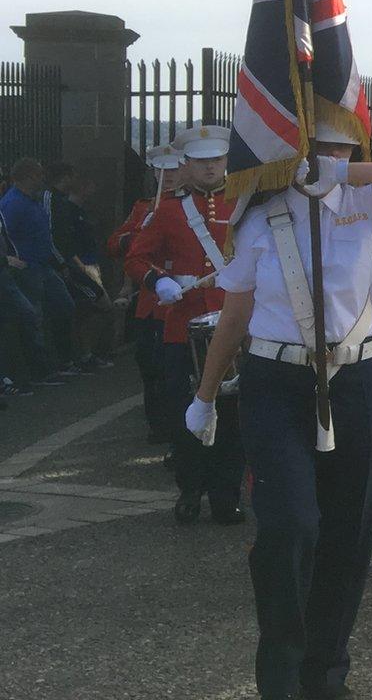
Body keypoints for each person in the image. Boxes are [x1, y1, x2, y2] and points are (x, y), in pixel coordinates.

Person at [188, 128, 372, 700]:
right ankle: (280, 671)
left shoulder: (366, 203)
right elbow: (235, 313)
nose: (331, 158)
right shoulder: (259, 216)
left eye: (344, 148)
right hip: (278, 380)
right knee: (291, 523)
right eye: (320, 148)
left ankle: (325, 673)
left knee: (349, 529)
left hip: (355, 378)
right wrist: (205, 396)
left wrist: (345, 176)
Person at [127, 125, 245, 524]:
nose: (210, 167)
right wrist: (158, 279)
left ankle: (227, 494)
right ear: (187, 164)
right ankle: (191, 489)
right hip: (183, 328)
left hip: (234, 323)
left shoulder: (245, 203)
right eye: (201, 160)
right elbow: (136, 258)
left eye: (216, 159)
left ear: (226, 161)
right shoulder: (169, 211)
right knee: (188, 410)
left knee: (233, 414)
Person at [111, 144, 186, 439]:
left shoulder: (188, 205)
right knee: (150, 366)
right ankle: (159, 426)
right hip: (151, 299)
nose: (167, 176)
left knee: (179, 371)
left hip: (185, 298)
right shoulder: (143, 207)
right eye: (161, 170)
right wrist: (138, 233)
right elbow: (114, 245)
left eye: (173, 169)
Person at [2, 158, 86, 374]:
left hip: (43, 265)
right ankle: (41, 369)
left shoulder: (32, 200)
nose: (43, 179)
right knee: (34, 316)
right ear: (29, 177)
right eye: (39, 175)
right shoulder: (13, 204)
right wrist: (12, 259)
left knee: (63, 306)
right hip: (27, 267)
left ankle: (58, 359)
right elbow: (7, 235)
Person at [46, 163, 116, 367]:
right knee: (99, 307)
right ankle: (84, 354)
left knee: (89, 308)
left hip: (88, 264)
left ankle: (87, 353)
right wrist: (76, 265)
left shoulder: (76, 209)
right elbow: (64, 242)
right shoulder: (64, 207)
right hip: (81, 266)